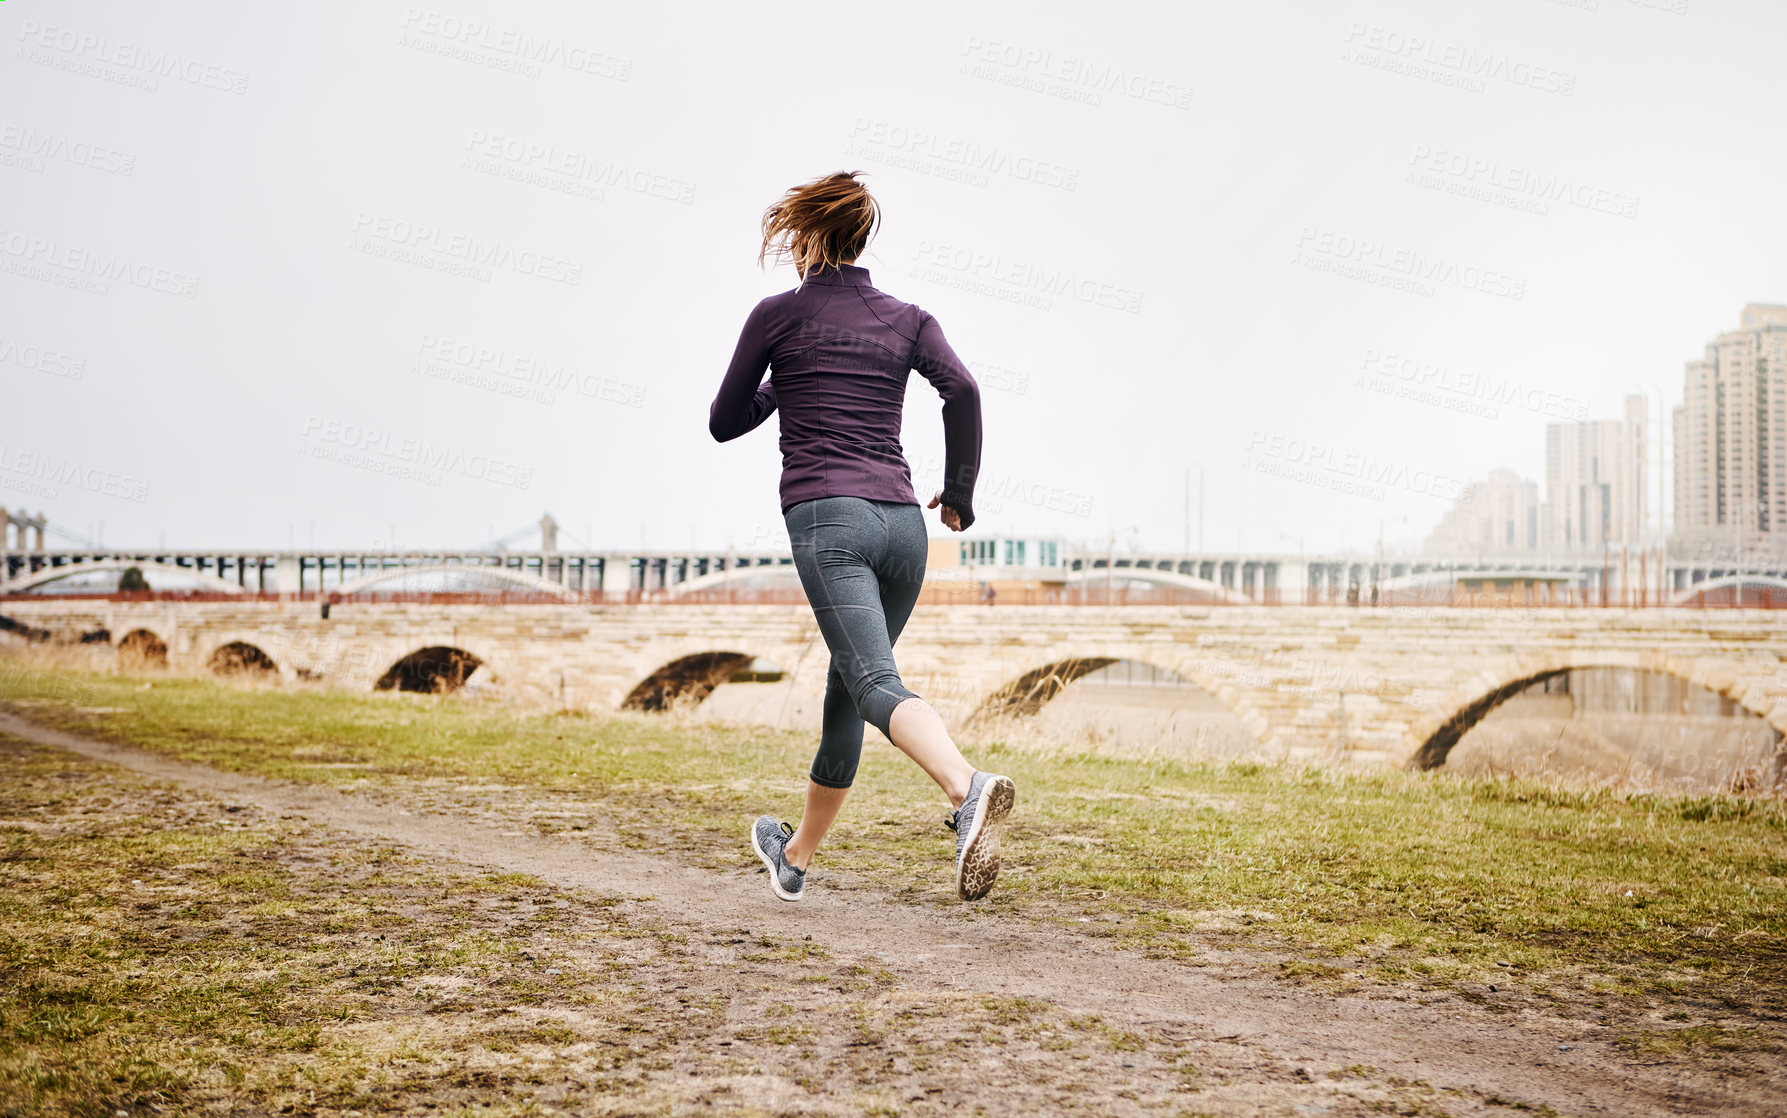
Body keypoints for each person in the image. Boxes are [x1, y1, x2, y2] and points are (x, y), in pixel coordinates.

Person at [709, 171, 1016, 903]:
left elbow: (724, 422)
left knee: (874, 682)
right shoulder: (907, 317)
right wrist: (961, 494)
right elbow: (963, 392)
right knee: (848, 688)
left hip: (828, 518)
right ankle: (796, 859)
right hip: (905, 526)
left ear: (804, 238)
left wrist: (784, 380)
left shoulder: (775, 316)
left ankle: (965, 788)